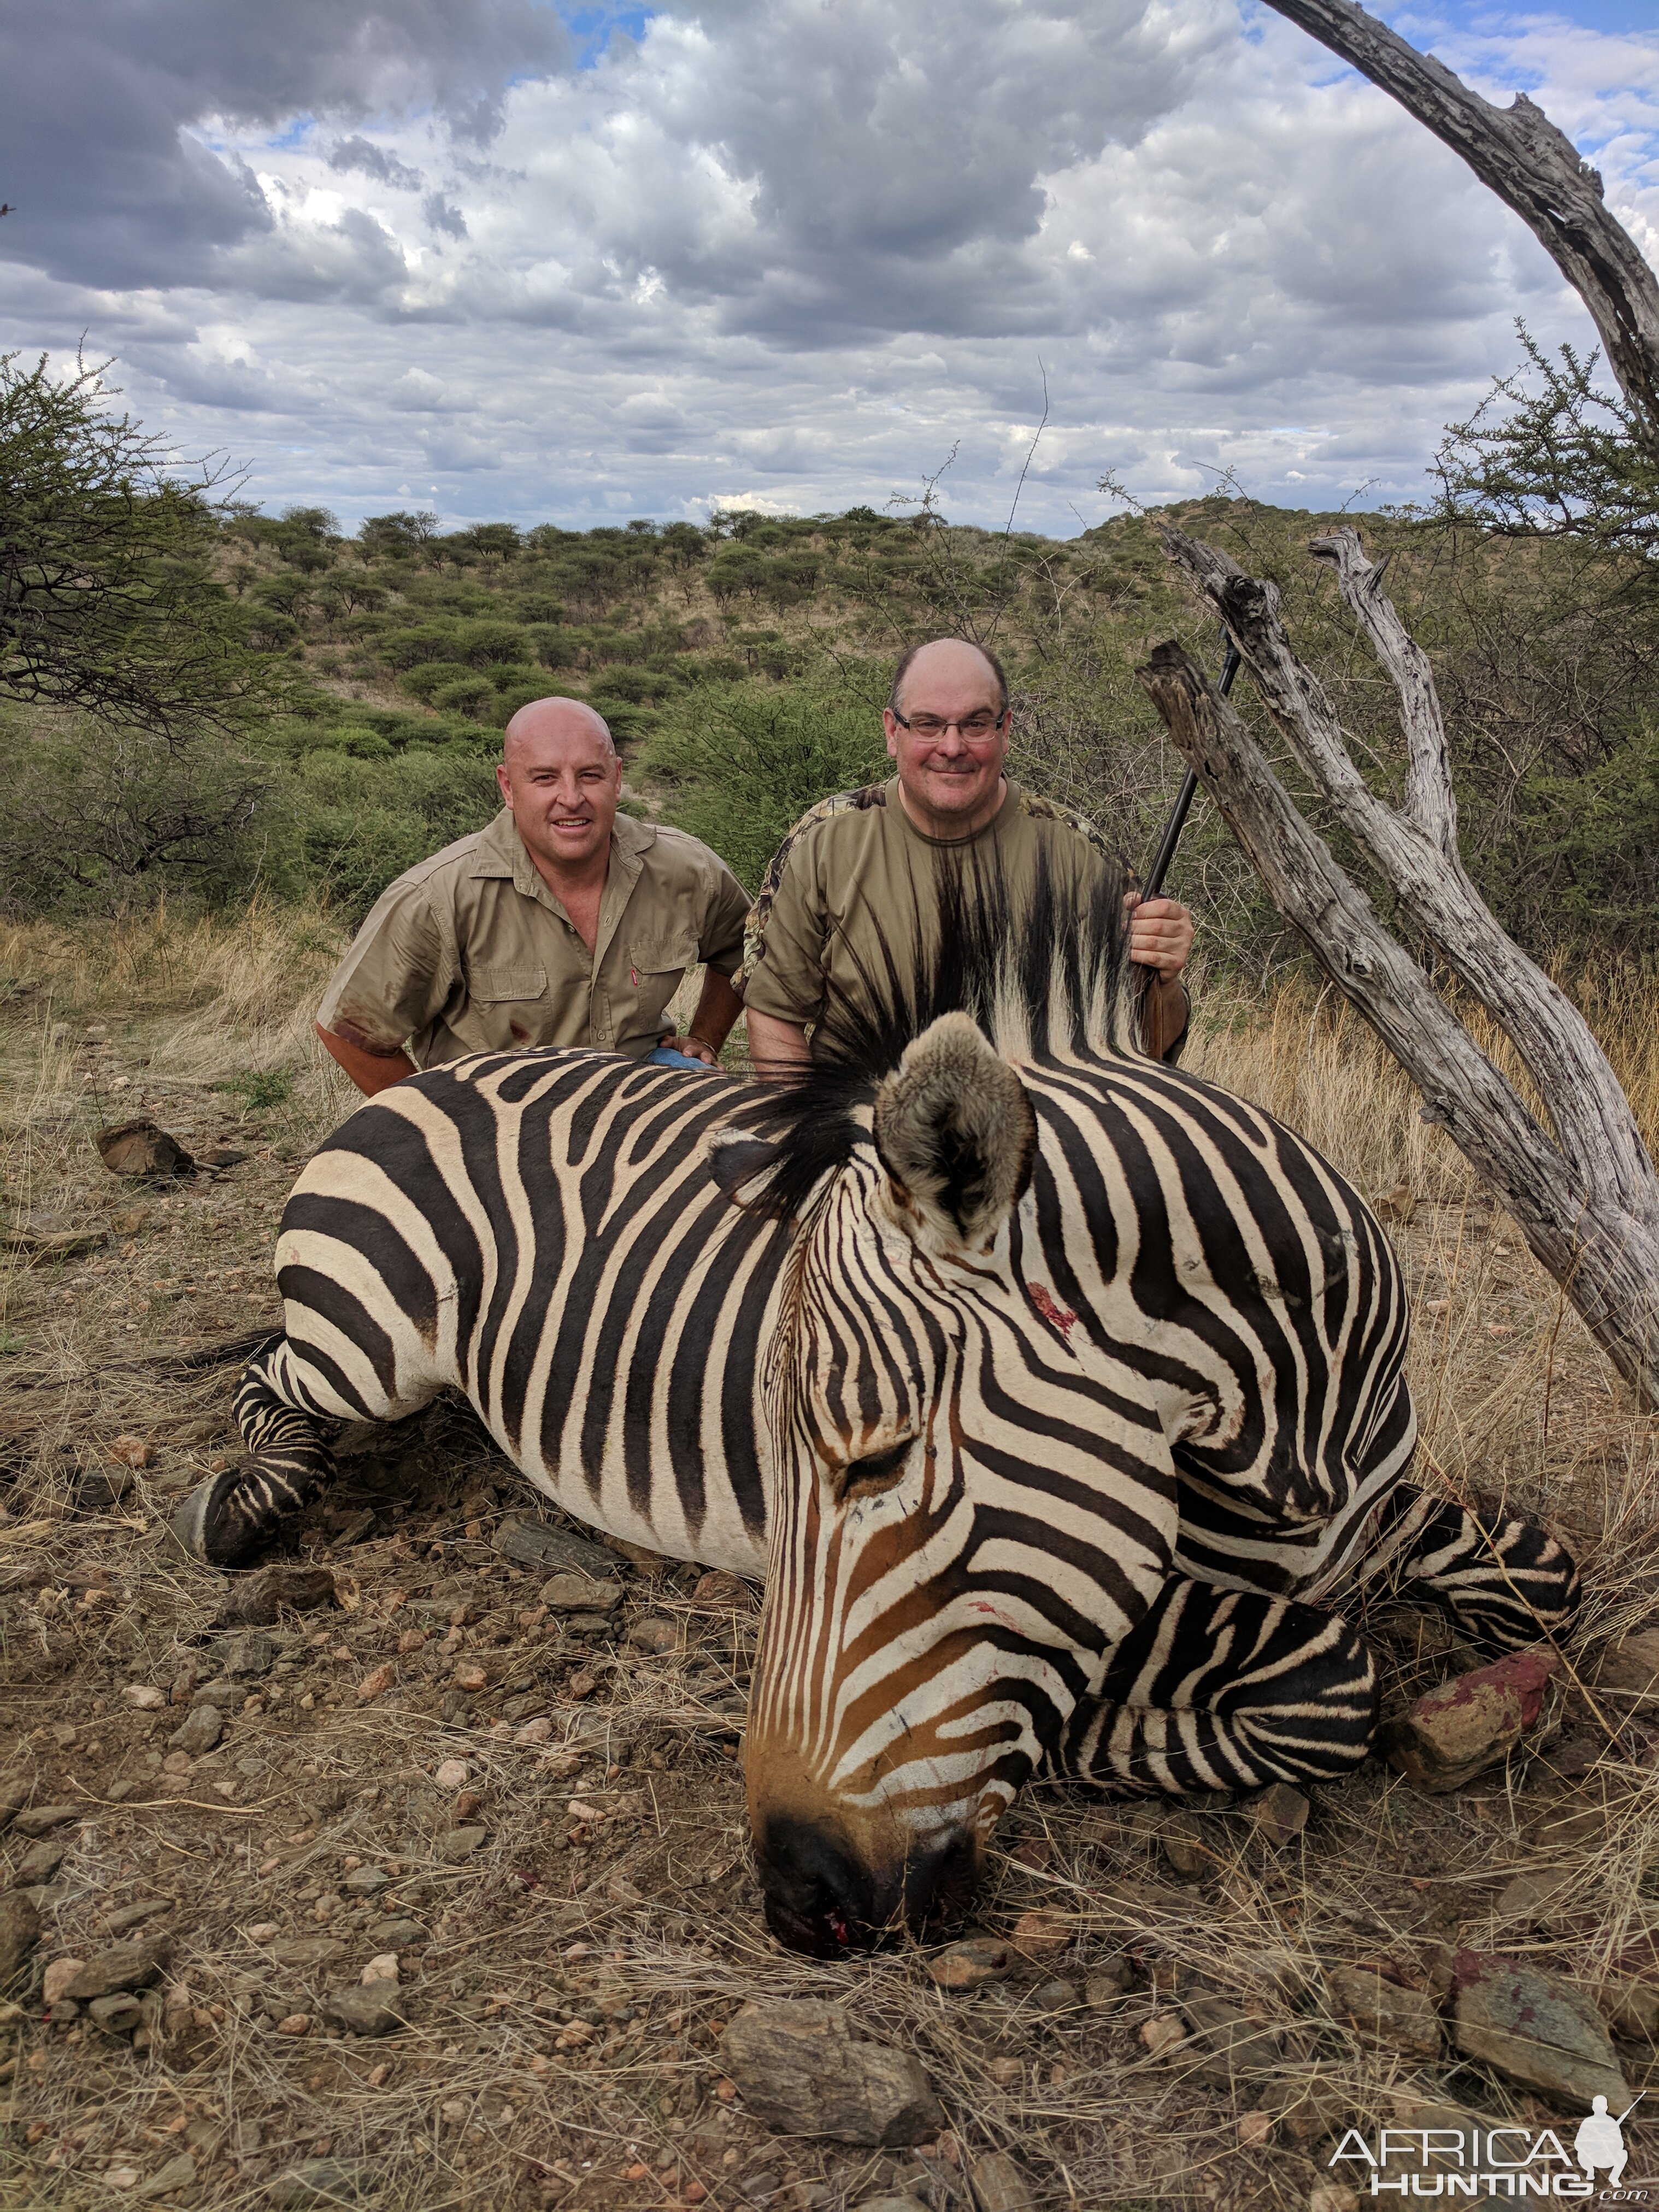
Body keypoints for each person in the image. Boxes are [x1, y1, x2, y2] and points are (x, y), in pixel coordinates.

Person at [740, 637, 1195, 1075]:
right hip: (860, 1134)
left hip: (1034, 1135)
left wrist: (1165, 978)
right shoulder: (824, 840)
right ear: (892, 731)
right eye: (928, 724)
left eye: (976, 724)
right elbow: (773, 1013)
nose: (952, 747)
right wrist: (813, 1140)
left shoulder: (1080, 853)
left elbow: (1149, 1042)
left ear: (1006, 730)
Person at [315, 696, 750, 1096]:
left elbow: (746, 951)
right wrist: (442, 1126)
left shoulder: (685, 868)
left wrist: (707, 1037)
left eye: (590, 776)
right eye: (544, 778)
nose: (571, 798)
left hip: (637, 1082)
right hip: (504, 1109)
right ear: (508, 786)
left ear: (617, 779)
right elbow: (349, 1034)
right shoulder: (436, 896)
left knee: (716, 1105)